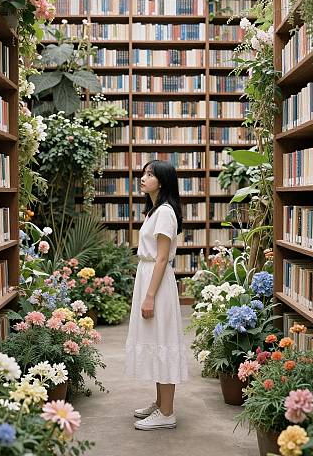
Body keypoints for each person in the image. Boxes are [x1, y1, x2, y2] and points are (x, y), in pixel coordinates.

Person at [125, 159, 188, 430]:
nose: (143, 177)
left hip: (157, 282)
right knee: (155, 339)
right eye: (143, 173)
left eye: (150, 174)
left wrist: (149, 296)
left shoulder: (164, 212)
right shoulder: (153, 211)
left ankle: (167, 413)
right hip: (149, 277)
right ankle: (161, 403)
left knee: (162, 340)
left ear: (161, 181)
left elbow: (162, 259)